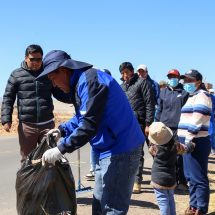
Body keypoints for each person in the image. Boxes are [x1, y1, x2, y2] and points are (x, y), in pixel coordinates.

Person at [36, 50, 144, 215]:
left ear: (63, 70)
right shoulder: (81, 82)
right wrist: (61, 130)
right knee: (99, 205)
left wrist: (61, 149)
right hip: (107, 150)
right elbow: (82, 116)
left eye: (53, 78)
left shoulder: (90, 81)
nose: (54, 85)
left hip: (121, 150)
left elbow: (89, 125)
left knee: (111, 209)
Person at [1, 44, 71, 163]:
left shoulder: (48, 73)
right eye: (32, 59)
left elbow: (59, 93)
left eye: (39, 59)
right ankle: (27, 182)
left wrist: (73, 99)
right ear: (26, 58)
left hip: (47, 125)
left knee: (50, 159)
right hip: (27, 126)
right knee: (27, 160)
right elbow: (8, 97)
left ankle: (49, 182)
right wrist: (6, 119)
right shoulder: (16, 74)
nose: (36, 62)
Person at [178, 70, 212, 215]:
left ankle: (201, 209)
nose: (186, 83)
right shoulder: (192, 96)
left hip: (195, 141)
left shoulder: (203, 96)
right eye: (184, 80)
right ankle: (193, 206)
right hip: (187, 140)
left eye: (189, 80)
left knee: (198, 178)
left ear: (198, 81)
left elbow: (197, 118)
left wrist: (188, 140)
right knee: (190, 177)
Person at [119, 62, 155, 194]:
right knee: (134, 153)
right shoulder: (122, 86)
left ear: (132, 71)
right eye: (122, 73)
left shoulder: (142, 83)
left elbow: (150, 103)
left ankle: (158, 178)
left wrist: (148, 124)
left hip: (141, 123)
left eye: (127, 72)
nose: (125, 75)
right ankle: (135, 180)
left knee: (153, 151)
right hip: (127, 125)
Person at [155, 69, 189, 190]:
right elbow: (159, 109)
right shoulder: (163, 92)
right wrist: (156, 124)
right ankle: (169, 181)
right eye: (170, 76)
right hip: (164, 129)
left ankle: (183, 182)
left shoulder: (184, 92)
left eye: (174, 76)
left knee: (179, 155)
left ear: (179, 78)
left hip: (179, 128)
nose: (172, 79)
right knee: (165, 155)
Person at [85, 69, 112, 180]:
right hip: (96, 127)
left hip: (107, 129)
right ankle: (94, 169)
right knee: (94, 147)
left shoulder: (112, 91)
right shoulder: (93, 90)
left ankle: (104, 172)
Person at [148, 122, 179, 215]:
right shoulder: (176, 146)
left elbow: (150, 151)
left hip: (158, 178)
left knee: (163, 201)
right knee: (170, 199)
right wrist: (191, 145)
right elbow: (185, 148)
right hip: (171, 177)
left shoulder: (154, 148)